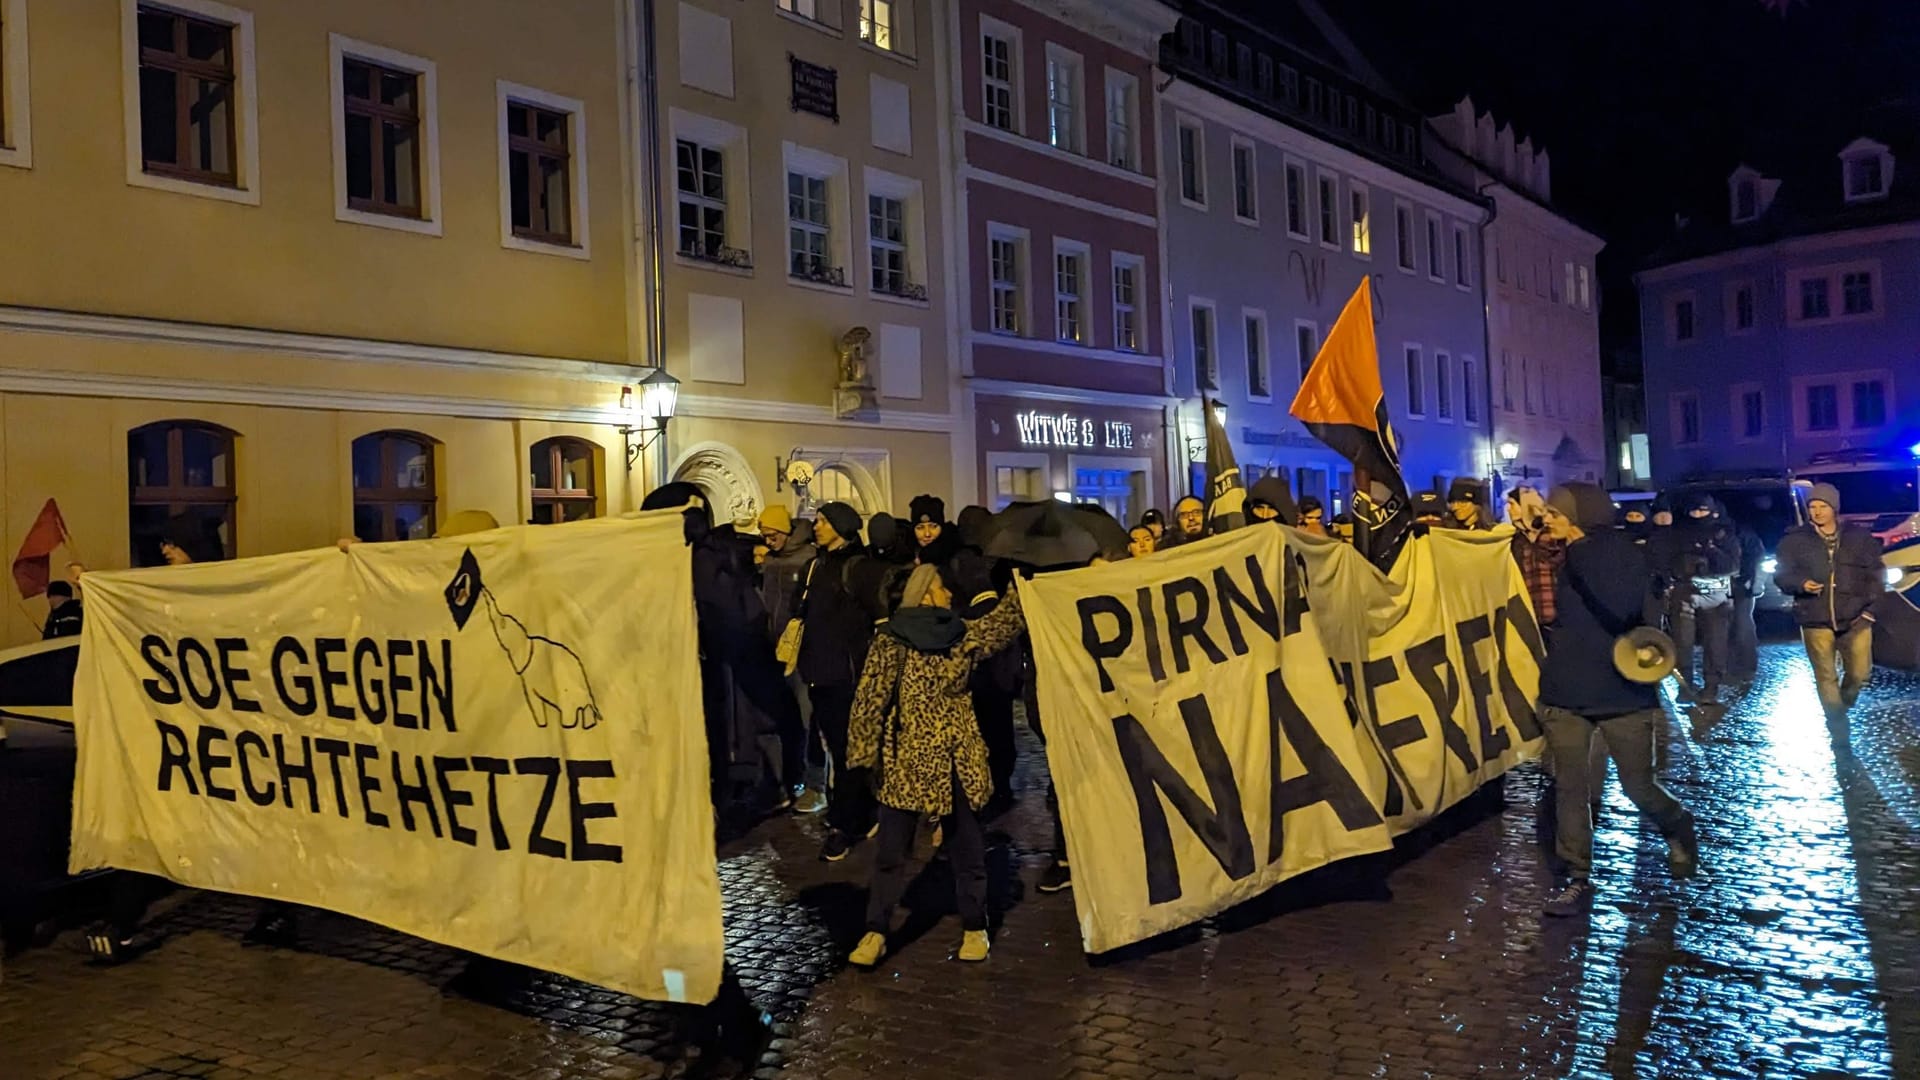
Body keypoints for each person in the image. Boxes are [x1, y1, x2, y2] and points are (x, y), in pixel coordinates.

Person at [846, 565, 1027, 967]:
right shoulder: (891, 639)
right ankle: (875, 930)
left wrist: (1021, 585)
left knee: (967, 846)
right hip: (905, 759)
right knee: (891, 851)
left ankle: (975, 926)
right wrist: (863, 755)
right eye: (943, 588)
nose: (949, 594)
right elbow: (871, 698)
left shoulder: (959, 633)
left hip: (955, 756)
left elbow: (1001, 626)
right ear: (926, 593)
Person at [1536, 483, 1698, 918]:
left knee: (1638, 786)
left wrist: (1579, 547)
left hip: (1621, 689)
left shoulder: (1621, 552)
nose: (1547, 519)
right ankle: (1576, 877)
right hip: (1566, 692)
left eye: (1555, 511)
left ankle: (1677, 822)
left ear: (1580, 513)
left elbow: (1620, 603)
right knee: (1570, 788)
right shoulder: (1566, 553)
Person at [795, 502, 880, 860]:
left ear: (842, 527)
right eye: (817, 520)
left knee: (849, 751)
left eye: (824, 521)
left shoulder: (858, 567)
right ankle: (861, 812)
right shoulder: (815, 566)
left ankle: (845, 824)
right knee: (837, 747)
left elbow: (874, 620)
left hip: (848, 674)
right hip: (819, 673)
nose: (817, 526)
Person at [1774, 483, 1884, 751]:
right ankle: (1838, 727)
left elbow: (1876, 575)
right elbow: (1782, 575)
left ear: (1834, 508)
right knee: (1825, 676)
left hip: (1857, 616)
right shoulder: (1794, 540)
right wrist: (1801, 583)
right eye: (1813, 507)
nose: (1817, 511)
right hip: (1815, 616)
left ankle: (1842, 705)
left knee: (1859, 673)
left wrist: (1871, 610)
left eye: (1823, 506)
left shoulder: (1859, 538)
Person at [757, 505, 821, 812]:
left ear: (785, 531)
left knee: (808, 719)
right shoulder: (769, 559)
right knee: (781, 719)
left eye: (773, 535)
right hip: (773, 650)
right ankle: (786, 782)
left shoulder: (808, 558)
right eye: (765, 536)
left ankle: (814, 784)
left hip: (802, 651)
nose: (769, 540)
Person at [1664, 492, 1740, 702]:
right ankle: (1685, 686)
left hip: (1716, 595)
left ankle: (1711, 686)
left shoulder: (1724, 534)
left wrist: (1712, 552)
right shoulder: (1678, 534)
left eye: (1703, 511)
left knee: (1716, 642)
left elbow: (1733, 565)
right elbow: (1669, 561)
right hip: (1686, 593)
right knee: (1683, 642)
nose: (1698, 515)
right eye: (1694, 511)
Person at [1727, 504, 1765, 685]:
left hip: (1743, 585)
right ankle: (1732, 666)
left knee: (1743, 625)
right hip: (1726, 586)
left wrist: (1755, 583)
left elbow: (1756, 557)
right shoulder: (1721, 532)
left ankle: (1747, 666)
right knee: (1727, 627)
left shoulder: (1744, 533)